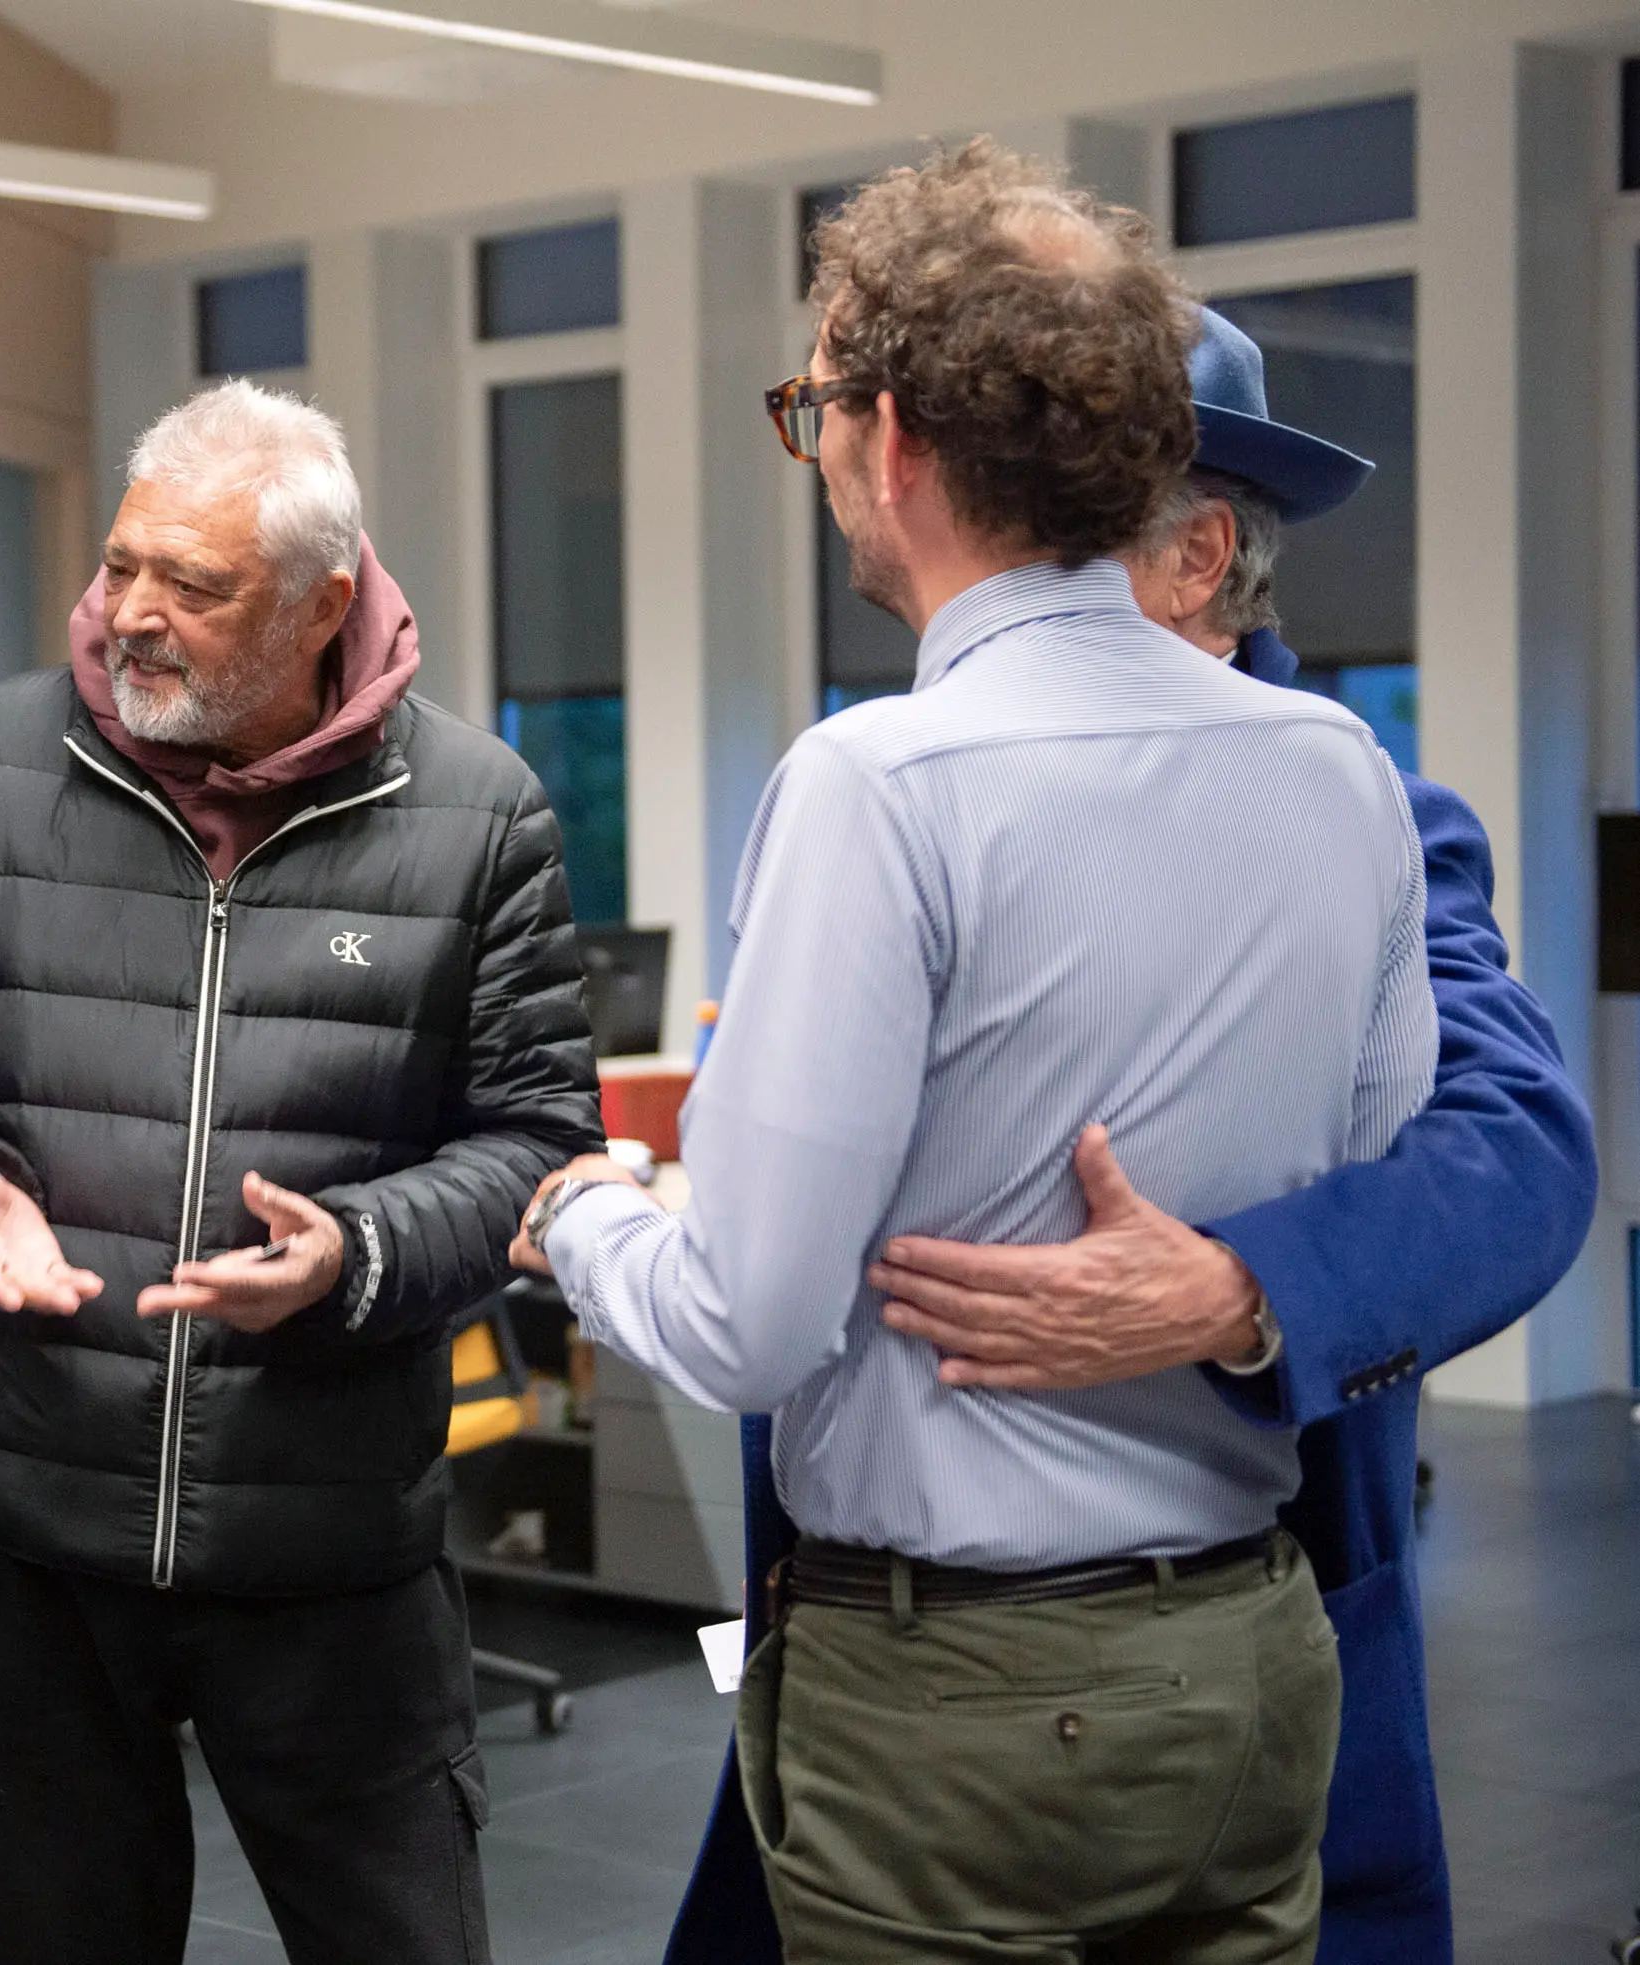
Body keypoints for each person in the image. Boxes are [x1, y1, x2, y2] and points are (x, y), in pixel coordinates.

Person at [517, 143, 1437, 1961]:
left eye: (816, 414)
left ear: (901, 444)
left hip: (962, 1705)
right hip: (1251, 1661)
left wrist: (580, 1216)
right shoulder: (1343, 770)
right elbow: (1375, 1159)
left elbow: (750, 1328)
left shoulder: (879, 783)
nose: (821, 459)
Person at [656, 306, 1600, 1965]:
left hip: (1220, 1631)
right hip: (893, 1640)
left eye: (1071, 526)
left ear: (1197, 558)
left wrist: (1238, 1288)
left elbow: (1518, 1147)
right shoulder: (919, 789)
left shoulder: (1357, 802)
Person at [0, 377, 598, 1965]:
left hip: (327, 1542)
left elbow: (539, 1142)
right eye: (121, 564)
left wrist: (355, 1253)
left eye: (195, 586)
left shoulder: (473, 814)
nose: (131, 614)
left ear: (322, 606)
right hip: (17, 1531)